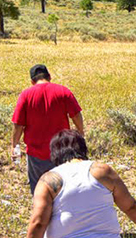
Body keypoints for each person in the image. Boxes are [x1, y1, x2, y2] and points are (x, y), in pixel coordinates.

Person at [11, 64, 84, 192]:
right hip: (62, 150)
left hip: (36, 153)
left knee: (39, 191)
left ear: (32, 81)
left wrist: (14, 145)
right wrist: (80, 133)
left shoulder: (25, 95)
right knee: (63, 190)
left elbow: (18, 125)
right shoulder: (63, 91)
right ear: (49, 77)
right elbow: (76, 115)